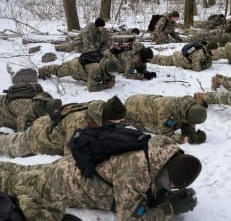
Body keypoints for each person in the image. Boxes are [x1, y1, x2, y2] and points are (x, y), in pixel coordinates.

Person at [0, 134, 202, 220]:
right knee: (11, 181)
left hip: (72, 166)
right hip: (61, 184)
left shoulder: (163, 152)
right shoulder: (135, 170)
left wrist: (169, 196)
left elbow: (153, 187)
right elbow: (130, 217)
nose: (171, 188)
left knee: (21, 172)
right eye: (171, 185)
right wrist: (170, 208)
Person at [0, 96, 126, 157]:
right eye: (116, 122)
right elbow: (71, 155)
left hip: (50, 126)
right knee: (10, 145)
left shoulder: (99, 109)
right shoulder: (79, 123)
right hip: (39, 136)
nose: (119, 124)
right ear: (106, 118)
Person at [125, 94, 208, 144]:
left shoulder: (189, 107)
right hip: (133, 108)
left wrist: (193, 135)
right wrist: (188, 139)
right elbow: (165, 135)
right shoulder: (166, 111)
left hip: (147, 100)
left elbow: (188, 125)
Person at [38, 57, 119, 92]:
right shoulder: (96, 70)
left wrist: (111, 81)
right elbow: (91, 88)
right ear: (107, 70)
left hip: (81, 65)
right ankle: (43, 69)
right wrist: (105, 85)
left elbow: (112, 77)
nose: (113, 75)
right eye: (112, 73)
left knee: (59, 69)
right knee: (58, 72)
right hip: (75, 68)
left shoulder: (110, 66)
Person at [150, 41, 217, 72]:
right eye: (214, 50)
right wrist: (204, 65)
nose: (216, 51)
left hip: (180, 57)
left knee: (162, 58)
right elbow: (196, 68)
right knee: (161, 60)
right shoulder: (199, 53)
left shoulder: (205, 51)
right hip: (177, 60)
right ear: (210, 49)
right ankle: (149, 58)